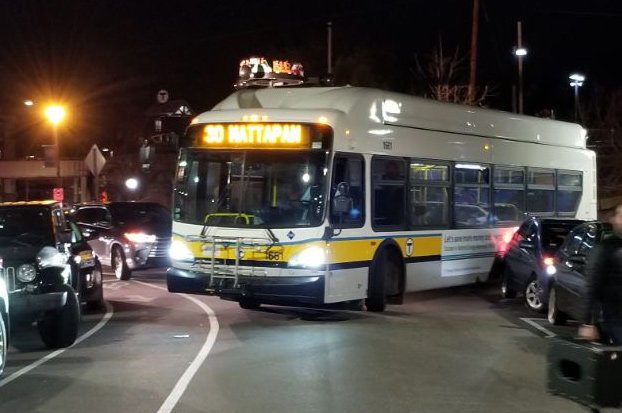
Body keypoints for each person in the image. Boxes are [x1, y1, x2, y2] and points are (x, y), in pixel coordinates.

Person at [578, 204, 622, 344]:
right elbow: (592, 285)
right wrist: (588, 322)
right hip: (615, 319)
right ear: (614, 220)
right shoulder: (605, 248)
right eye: (621, 216)